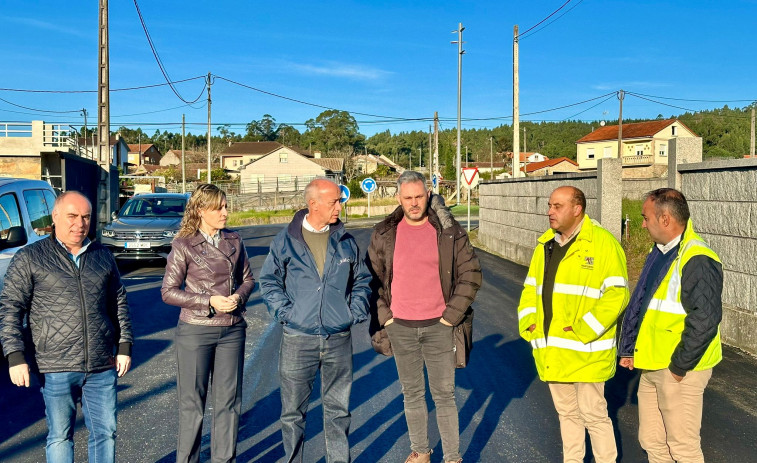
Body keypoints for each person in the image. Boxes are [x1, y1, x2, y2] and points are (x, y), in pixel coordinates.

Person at [0, 191, 133, 463]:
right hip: (55, 365)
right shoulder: (30, 257)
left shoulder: (102, 255)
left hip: (101, 363)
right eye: (72, 216)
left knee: (105, 433)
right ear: (55, 217)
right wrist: (15, 357)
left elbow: (118, 301)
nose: (80, 223)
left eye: (85, 217)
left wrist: (124, 346)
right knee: (60, 435)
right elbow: (11, 308)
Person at [368, 171, 481, 463]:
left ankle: (453, 457)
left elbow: (471, 274)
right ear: (398, 199)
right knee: (412, 395)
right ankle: (420, 451)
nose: (414, 203)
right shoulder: (384, 233)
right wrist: (387, 318)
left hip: (440, 328)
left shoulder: (448, 231)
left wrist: (449, 317)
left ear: (428, 195)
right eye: (408, 198)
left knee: (444, 396)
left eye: (419, 196)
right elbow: (373, 281)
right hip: (400, 328)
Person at [259, 178, 371, 463]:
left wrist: (353, 312)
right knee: (293, 413)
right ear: (313, 204)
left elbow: (363, 280)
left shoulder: (346, 240)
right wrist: (287, 313)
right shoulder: (285, 241)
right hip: (299, 338)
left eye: (339, 200)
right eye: (334, 201)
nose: (339, 207)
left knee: (338, 411)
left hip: (338, 338)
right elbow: (269, 282)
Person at [517, 186, 629, 463]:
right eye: (549, 205)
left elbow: (618, 294)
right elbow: (531, 289)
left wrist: (583, 330)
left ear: (577, 209)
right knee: (567, 414)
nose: (550, 211)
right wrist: (530, 324)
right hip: (553, 350)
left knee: (594, 416)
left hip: (587, 352)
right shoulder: (545, 245)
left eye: (557, 206)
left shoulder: (602, 244)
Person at [618, 188, 722, 463]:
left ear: (665, 219)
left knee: (683, 447)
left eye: (645, 217)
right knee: (652, 441)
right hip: (652, 364)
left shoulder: (697, 258)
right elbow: (643, 302)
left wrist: (678, 367)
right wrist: (629, 348)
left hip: (679, 370)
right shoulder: (660, 251)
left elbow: (705, 319)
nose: (641, 223)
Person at [161, 184, 255, 463]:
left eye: (226, 206)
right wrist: (209, 301)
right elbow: (168, 291)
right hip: (196, 330)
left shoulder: (235, 241)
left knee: (229, 403)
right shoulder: (183, 245)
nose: (226, 212)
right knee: (193, 405)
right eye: (219, 207)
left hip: (232, 329)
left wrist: (238, 296)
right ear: (201, 210)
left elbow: (249, 279)